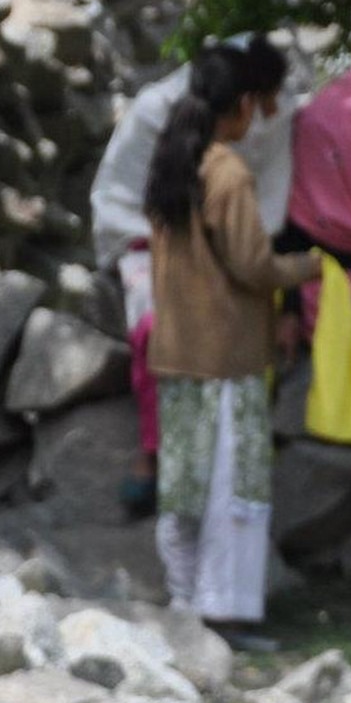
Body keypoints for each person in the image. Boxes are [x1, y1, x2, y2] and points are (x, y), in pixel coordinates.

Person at [147, 43, 324, 631]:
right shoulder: (228, 171)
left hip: (178, 353)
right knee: (233, 492)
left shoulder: (174, 161)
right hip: (226, 358)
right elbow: (253, 265)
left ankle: (182, 603)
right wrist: (308, 267)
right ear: (244, 104)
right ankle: (223, 612)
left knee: (185, 488)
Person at [91, 34, 293, 516]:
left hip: (235, 251)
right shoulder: (153, 113)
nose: (269, 110)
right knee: (160, 330)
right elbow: (125, 203)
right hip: (150, 243)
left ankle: (220, 464)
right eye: (261, 100)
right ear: (243, 101)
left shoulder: (269, 126)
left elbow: (266, 218)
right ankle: (157, 453)